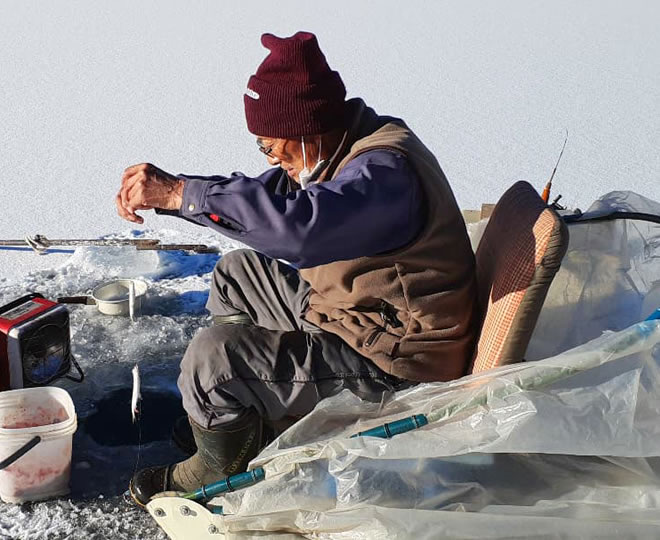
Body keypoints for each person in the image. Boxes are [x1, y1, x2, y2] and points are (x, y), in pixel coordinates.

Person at [116, 31, 478, 506]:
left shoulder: (382, 174)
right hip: (357, 314)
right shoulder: (345, 143)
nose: (270, 159)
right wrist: (183, 193)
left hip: (395, 358)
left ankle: (222, 462)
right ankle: (243, 419)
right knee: (238, 274)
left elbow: (298, 230)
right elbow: (277, 198)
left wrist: (180, 193)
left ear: (307, 130)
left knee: (214, 361)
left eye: (270, 146)